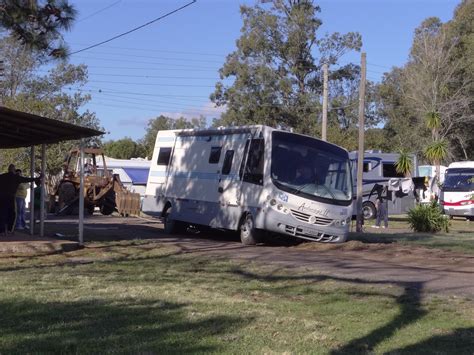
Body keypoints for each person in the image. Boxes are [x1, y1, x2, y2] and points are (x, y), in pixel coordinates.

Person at [0, 164, 41, 236]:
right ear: (13, 170)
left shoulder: (2, 176)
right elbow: (27, 179)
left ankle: (2, 231)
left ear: (8, 169)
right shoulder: (16, 177)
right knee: (12, 214)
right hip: (11, 197)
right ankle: (10, 230)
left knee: (2, 213)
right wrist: (38, 178)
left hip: (2, 197)